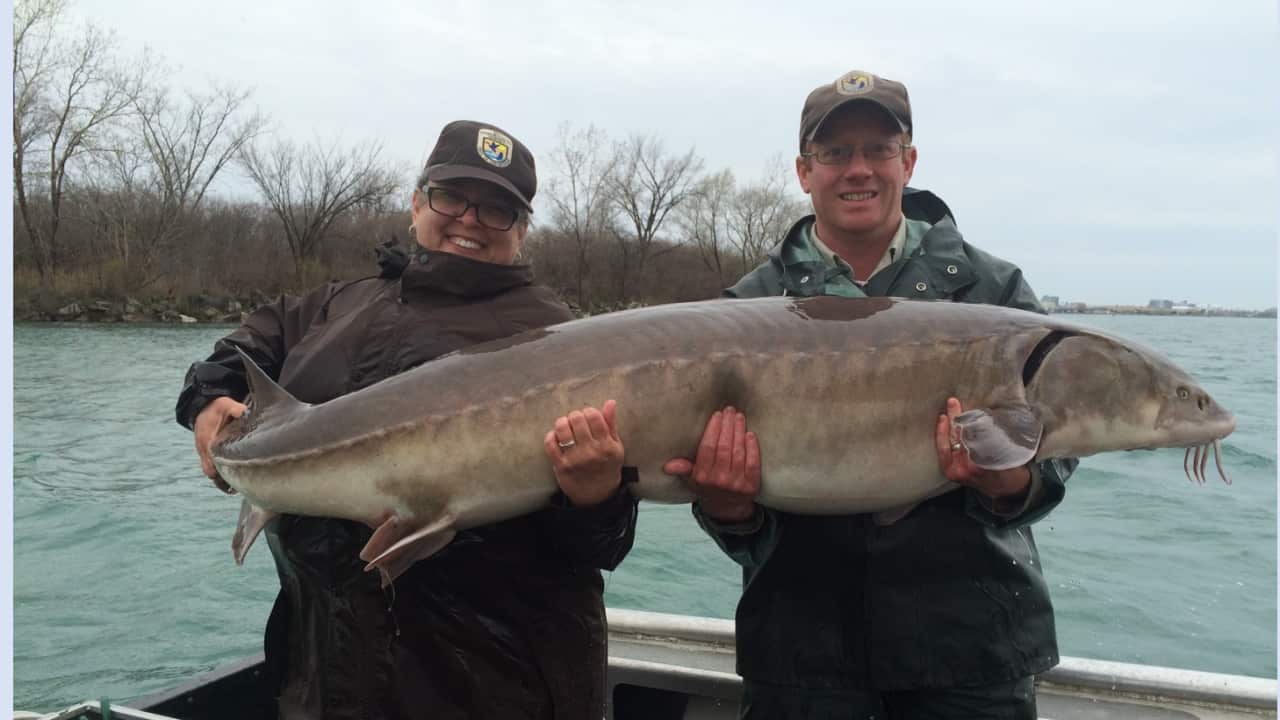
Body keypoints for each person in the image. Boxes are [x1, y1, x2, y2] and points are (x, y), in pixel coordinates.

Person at [175, 120, 638, 720]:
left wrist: (596, 498)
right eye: (452, 197)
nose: (470, 219)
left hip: (495, 686)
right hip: (324, 672)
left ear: (522, 231)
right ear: (418, 202)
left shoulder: (563, 342)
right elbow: (231, 359)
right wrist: (206, 402)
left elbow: (608, 543)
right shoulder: (328, 307)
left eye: (497, 210)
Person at [665, 70, 1079, 719]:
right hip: (799, 662)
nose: (857, 169)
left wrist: (1010, 483)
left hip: (973, 657)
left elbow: (1056, 453)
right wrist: (727, 509)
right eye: (835, 153)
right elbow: (731, 520)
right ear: (804, 171)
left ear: (908, 161)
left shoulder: (993, 294)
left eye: (878, 150)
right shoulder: (742, 310)